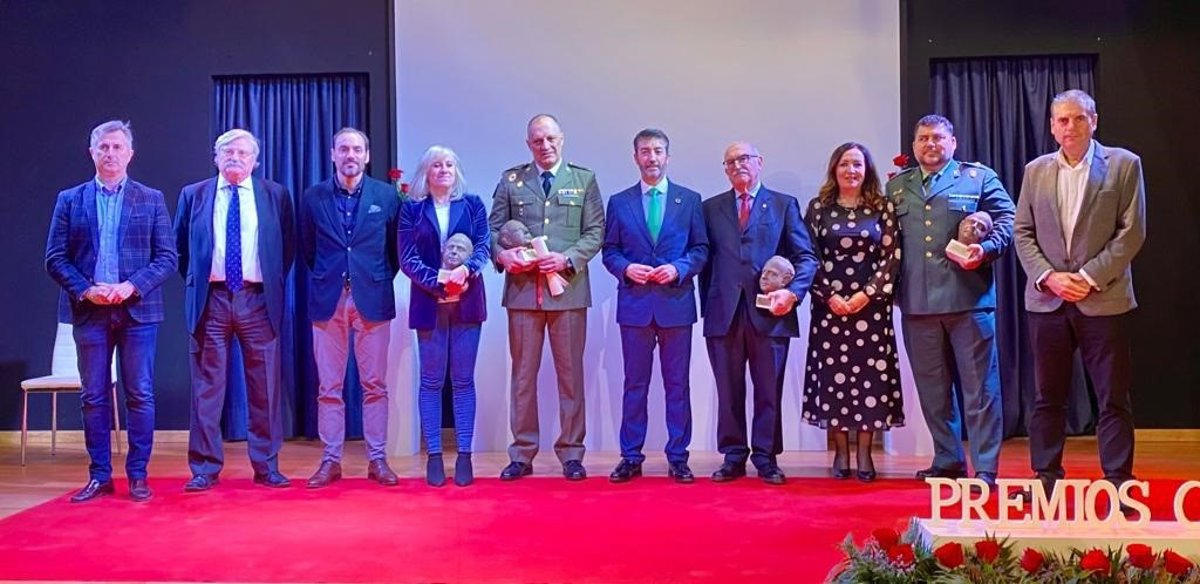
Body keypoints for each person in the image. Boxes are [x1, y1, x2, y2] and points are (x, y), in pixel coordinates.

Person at [1014, 89, 1145, 497]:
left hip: (1104, 299)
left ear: (1094, 121)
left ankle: (1118, 483)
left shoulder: (1124, 164)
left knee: (1112, 397)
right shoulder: (1035, 170)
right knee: (1047, 396)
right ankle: (1046, 478)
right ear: (1053, 127)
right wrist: (1049, 277)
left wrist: (1087, 277)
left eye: (1078, 118)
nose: (1070, 126)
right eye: (1062, 120)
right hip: (1047, 301)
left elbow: (1132, 232)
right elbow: (1022, 231)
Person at [44, 120, 177, 502]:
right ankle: (100, 475)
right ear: (92, 153)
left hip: (138, 312)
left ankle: (138, 476)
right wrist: (87, 290)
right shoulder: (70, 199)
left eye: (118, 147)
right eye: (103, 147)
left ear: (130, 153)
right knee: (94, 396)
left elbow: (167, 258)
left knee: (140, 395)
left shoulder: (150, 198)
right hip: (89, 311)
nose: (110, 153)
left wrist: (130, 286)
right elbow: (55, 258)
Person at [887, 115, 1014, 490]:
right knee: (933, 392)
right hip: (917, 303)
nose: (931, 144)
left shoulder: (978, 178)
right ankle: (947, 460)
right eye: (923, 138)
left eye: (938, 138)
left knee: (980, 391)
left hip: (968, 300)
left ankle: (986, 468)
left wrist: (985, 248)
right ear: (914, 145)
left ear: (953, 143)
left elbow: (1008, 219)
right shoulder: (898, 186)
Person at [175, 128, 295, 492]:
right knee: (206, 389)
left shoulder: (275, 195)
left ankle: (266, 466)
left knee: (265, 387)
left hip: (258, 300)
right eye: (228, 152)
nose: (235, 158)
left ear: (255, 161)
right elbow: (181, 250)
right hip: (211, 300)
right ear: (215, 158)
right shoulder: (194, 194)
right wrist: (204, 282)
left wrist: (262, 282)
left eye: (243, 153)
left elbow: (285, 249)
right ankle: (204, 469)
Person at [487, 114, 605, 481]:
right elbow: (492, 230)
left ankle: (571, 453)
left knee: (571, 377)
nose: (545, 145)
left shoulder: (583, 179)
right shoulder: (512, 180)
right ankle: (522, 454)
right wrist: (503, 255)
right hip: (523, 294)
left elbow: (595, 231)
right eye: (538, 140)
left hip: (567, 292)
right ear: (529, 144)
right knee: (523, 378)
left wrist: (567, 258)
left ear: (562, 139)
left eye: (551, 138)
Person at [699, 141, 818, 485]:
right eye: (730, 161)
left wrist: (792, 294)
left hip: (771, 314)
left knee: (769, 390)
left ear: (759, 162)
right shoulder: (710, 208)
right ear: (725, 169)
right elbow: (704, 260)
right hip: (723, 314)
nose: (738, 165)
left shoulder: (783, 204)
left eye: (744, 159)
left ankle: (766, 456)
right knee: (728, 390)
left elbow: (806, 258)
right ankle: (733, 455)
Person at [601, 128, 708, 484]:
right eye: (645, 151)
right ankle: (631, 456)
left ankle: (678, 457)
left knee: (677, 385)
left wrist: (679, 269)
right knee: (635, 385)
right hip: (635, 306)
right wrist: (626, 268)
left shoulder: (689, 200)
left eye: (658, 151)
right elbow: (610, 250)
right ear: (635, 157)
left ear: (668, 156)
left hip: (676, 305)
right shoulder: (620, 202)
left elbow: (701, 249)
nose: (652, 157)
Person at [298, 127, 400, 489]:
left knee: (375, 385)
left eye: (357, 149)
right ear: (333, 154)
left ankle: (377, 459)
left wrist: (368, 278)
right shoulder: (313, 197)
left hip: (373, 297)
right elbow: (308, 249)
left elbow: (394, 252)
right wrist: (333, 277)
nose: (350, 155)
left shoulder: (387, 196)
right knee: (329, 387)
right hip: (328, 301)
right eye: (343, 149)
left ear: (367, 156)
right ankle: (331, 460)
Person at [802, 142, 904, 483]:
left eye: (857, 164)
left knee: (870, 380)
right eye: (844, 164)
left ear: (867, 170)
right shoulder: (818, 208)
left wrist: (866, 294)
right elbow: (808, 255)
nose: (851, 170)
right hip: (829, 308)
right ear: (834, 169)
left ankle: (864, 452)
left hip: (871, 310)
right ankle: (841, 451)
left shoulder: (882, 207)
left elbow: (891, 256)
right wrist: (830, 296)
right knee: (834, 379)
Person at [399, 145, 490, 487]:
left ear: (457, 170)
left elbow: (483, 246)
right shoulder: (412, 210)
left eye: (449, 164)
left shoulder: (473, 204)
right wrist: (439, 281)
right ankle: (434, 456)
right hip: (429, 304)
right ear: (426, 172)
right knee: (431, 382)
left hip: (467, 302)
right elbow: (407, 258)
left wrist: (465, 271)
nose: (443, 170)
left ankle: (464, 455)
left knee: (463, 380)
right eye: (436, 165)